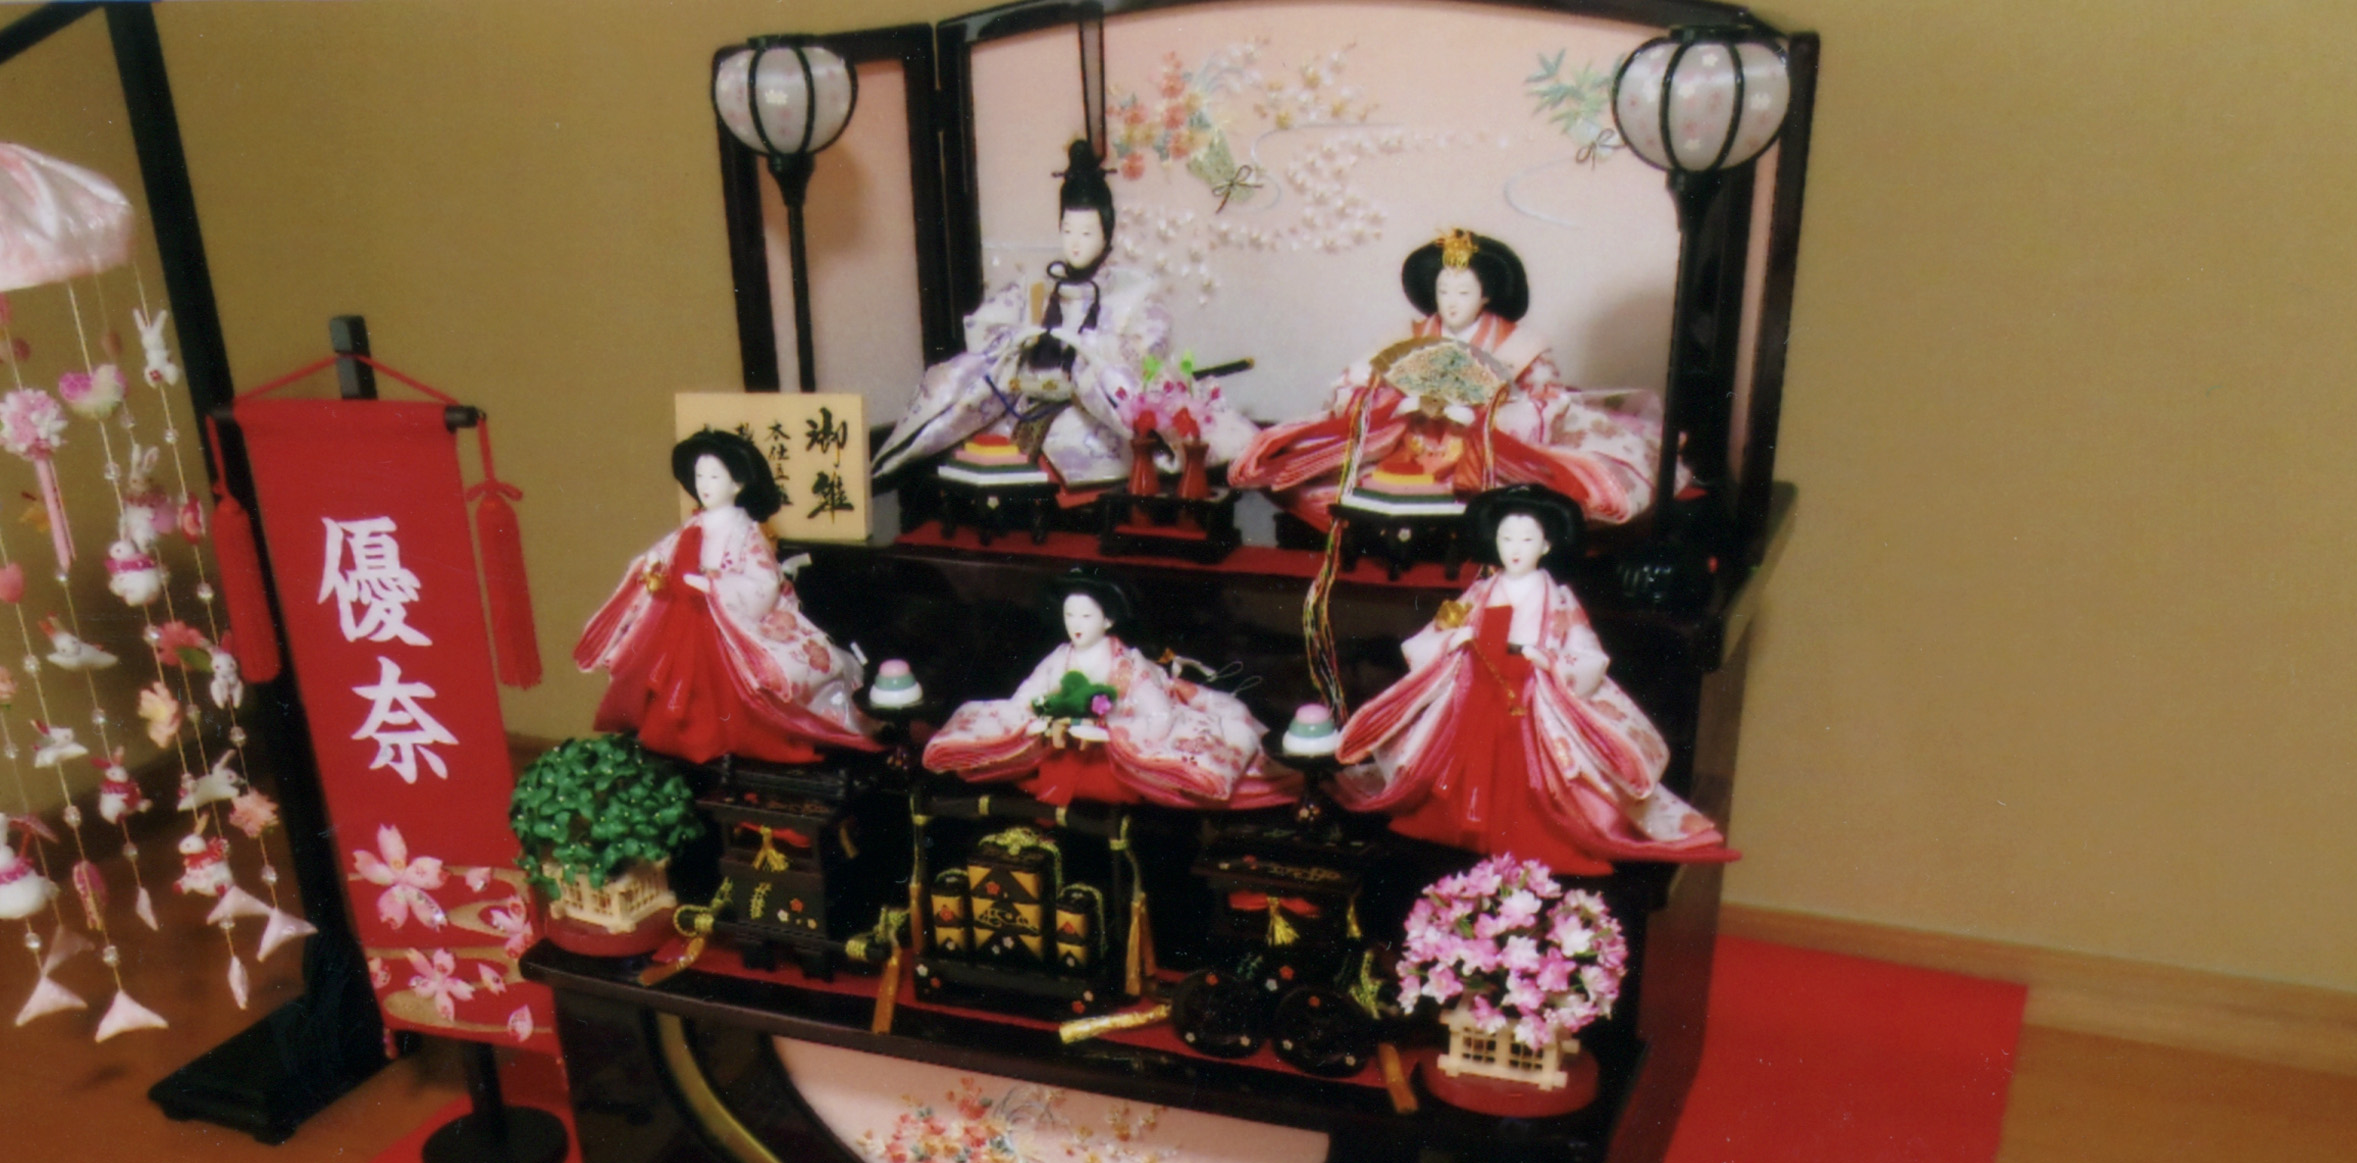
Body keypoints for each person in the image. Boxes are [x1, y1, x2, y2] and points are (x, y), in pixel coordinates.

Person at [1329, 486, 1733, 870]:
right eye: (1506, 539)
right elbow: (1438, 631)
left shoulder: (1558, 597)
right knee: (1457, 757)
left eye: (1527, 540)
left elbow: (1585, 650)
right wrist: (1455, 638)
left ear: (1547, 545)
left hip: (1530, 688)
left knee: (1529, 767)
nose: (1515, 549)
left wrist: (1550, 660)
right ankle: (1452, 827)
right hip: (1476, 683)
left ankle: (1526, 837)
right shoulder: (1481, 591)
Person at [873, 141, 1248, 493]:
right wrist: (1017, 340)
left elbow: (1146, 349)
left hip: (1090, 413)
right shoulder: (1034, 286)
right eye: (1067, 230)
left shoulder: (1133, 291)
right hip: (1024, 402)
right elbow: (984, 329)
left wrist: (1086, 349)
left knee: (1104, 438)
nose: (1075, 242)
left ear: (1107, 233)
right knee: (967, 412)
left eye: (1086, 232)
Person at [1233, 228, 1663, 530]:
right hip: (1410, 444)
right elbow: (1352, 386)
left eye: (1463, 292)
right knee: (1319, 478)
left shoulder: (1520, 344)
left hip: (1486, 448)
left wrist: (1485, 413)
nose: (1451, 303)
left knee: (1554, 490)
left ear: (1486, 295)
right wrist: (1400, 404)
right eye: (1443, 291)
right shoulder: (1407, 338)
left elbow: (1547, 400)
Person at [573, 428, 876, 768]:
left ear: (737, 484)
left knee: (738, 687)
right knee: (670, 682)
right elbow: (665, 554)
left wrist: (715, 586)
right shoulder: (693, 525)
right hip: (684, 618)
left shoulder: (746, 531)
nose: (704, 484)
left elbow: (764, 581)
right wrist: (654, 564)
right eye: (699, 476)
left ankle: (728, 735)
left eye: (715, 476)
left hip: (724, 622)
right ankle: (674, 737)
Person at [919, 570, 1300, 810]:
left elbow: (1159, 716)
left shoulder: (1129, 664)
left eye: (1086, 615)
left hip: (1112, 763)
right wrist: (1038, 717)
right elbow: (1027, 696)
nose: (1076, 624)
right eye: (1069, 615)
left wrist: (1111, 733)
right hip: (1059, 753)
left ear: (1108, 619)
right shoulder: (1059, 657)